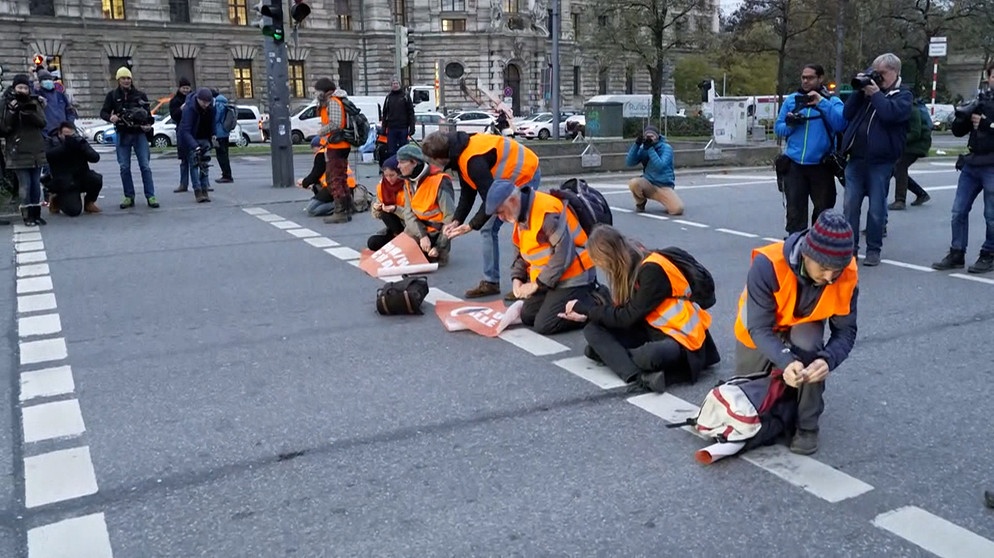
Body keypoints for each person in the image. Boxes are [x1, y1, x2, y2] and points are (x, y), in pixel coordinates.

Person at [733, 210, 859, 455]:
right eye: (823, 268)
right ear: (806, 254)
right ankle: (783, 390)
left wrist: (827, 360)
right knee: (748, 401)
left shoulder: (847, 274)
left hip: (804, 328)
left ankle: (807, 426)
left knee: (811, 350)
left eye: (837, 269)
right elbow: (758, 327)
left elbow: (846, 332)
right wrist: (786, 359)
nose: (831, 277)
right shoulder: (767, 264)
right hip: (759, 328)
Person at [561, 225, 720, 392]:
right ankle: (638, 375)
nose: (602, 268)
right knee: (592, 330)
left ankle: (619, 359)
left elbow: (626, 316)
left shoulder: (652, 270)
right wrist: (587, 316)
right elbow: (623, 313)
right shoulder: (631, 261)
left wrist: (587, 309)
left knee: (649, 355)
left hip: (679, 337)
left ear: (608, 257)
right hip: (650, 329)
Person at [422, 130, 541, 299]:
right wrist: (457, 220)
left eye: (432, 161)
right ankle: (492, 281)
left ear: (441, 158)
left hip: (525, 174)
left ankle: (524, 282)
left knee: (521, 225)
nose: (432, 166)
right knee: (489, 227)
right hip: (510, 177)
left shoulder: (473, 161)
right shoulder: (460, 152)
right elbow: (468, 191)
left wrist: (471, 225)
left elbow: (490, 200)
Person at [485, 179, 600, 335]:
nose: (500, 218)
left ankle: (597, 302)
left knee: (544, 325)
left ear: (512, 200)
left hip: (575, 277)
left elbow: (563, 254)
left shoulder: (546, 213)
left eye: (500, 212)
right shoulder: (519, 211)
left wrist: (536, 285)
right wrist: (517, 279)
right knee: (527, 315)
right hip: (552, 279)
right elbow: (522, 251)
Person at [841, 53, 913, 266]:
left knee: (876, 208)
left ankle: (873, 249)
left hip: (881, 161)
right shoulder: (867, 94)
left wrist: (876, 95)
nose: (878, 78)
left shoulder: (903, 95)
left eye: (882, 74)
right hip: (856, 159)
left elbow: (890, 115)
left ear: (895, 72)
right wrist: (859, 90)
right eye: (875, 72)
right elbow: (847, 113)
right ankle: (849, 250)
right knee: (850, 205)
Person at [932, 63, 994, 275]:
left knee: (991, 214)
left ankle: (989, 253)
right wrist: (964, 117)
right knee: (958, 211)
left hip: (992, 166)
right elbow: (959, 132)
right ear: (989, 77)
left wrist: (987, 124)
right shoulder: (982, 100)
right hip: (973, 163)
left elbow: (988, 126)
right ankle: (957, 252)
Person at [774, 64, 847, 233]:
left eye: (810, 78)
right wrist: (791, 124)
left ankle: (818, 245)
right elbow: (779, 128)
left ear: (820, 79)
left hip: (821, 165)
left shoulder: (832, 101)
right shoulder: (792, 100)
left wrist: (821, 103)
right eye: (803, 77)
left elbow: (841, 124)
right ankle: (795, 248)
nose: (806, 81)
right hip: (795, 165)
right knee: (795, 213)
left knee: (823, 212)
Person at [100, 66, 158, 209]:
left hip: (139, 134)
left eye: (128, 78)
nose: (126, 81)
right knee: (124, 167)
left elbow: (149, 117)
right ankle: (128, 196)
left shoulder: (140, 95)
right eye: (123, 78)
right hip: (123, 133)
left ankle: (150, 196)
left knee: (145, 166)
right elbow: (103, 112)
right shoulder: (112, 95)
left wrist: (148, 126)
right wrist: (110, 117)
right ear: (118, 80)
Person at [396, 144, 455, 266]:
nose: (398, 166)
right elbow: (408, 213)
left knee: (428, 260)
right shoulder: (408, 180)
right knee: (401, 257)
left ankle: (439, 251)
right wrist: (422, 236)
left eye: (402, 162)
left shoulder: (439, 181)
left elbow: (450, 218)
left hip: (437, 232)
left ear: (414, 162)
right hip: (418, 229)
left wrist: (440, 246)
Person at [2, 74, 48, 226]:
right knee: (25, 184)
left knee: (36, 184)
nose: (22, 91)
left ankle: (36, 214)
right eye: (19, 87)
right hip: (18, 150)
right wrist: (13, 112)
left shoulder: (35, 102)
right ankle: (27, 216)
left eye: (25, 88)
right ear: (14, 88)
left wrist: (29, 113)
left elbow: (42, 122)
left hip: (36, 150)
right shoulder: (6, 103)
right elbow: (4, 128)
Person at [314, 77, 352, 224]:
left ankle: (340, 212)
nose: (317, 94)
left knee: (335, 179)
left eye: (318, 91)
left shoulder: (333, 102)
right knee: (340, 178)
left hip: (337, 146)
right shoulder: (332, 101)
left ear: (326, 91)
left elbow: (336, 123)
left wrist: (321, 131)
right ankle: (346, 208)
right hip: (337, 145)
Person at [43, 121, 102, 217]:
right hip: (64, 181)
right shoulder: (51, 141)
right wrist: (65, 147)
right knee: (74, 211)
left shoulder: (79, 141)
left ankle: (89, 203)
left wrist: (83, 147)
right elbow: (47, 156)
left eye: (71, 135)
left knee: (96, 179)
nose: (69, 138)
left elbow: (95, 158)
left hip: (81, 176)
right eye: (66, 135)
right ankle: (56, 199)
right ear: (59, 134)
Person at [626, 125, 682, 215]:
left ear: (657, 137)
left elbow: (660, 166)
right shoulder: (644, 148)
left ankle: (666, 200)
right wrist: (636, 145)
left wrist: (650, 149)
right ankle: (641, 202)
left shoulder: (666, 148)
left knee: (677, 210)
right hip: (649, 183)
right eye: (647, 136)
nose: (649, 138)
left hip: (664, 185)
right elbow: (629, 162)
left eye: (651, 136)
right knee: (634, 183)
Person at [889, 99, 932, 210]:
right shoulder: (904, 109)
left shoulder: (912, 110)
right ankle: (921, 194)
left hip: (918, 145)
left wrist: (899, 140)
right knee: (897, 169)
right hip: (910, 145)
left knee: (899, 166)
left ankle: (900, 200)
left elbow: (916, 133)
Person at [177, 87, 215, 203]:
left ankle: (205, 190)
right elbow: (185, 130)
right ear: (198, 99)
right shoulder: (189, 108)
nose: (206, 104)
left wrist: (214, 134)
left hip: (205, 138)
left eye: (208, 102)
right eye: (203, 102)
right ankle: (198, 191)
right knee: (194, 164)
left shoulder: (211, 107)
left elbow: (212, 122)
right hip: (192, 138)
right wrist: (194, 145)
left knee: (204, 165)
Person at [367, 156, 406, 251]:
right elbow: (376, 215)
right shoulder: (382, 186)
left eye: (392, 175)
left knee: (387, 214)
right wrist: (376, 208)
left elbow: (413, 215)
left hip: (409, 227)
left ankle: (403, 241)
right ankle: (398, 239)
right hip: (394, 227)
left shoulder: (408, 185)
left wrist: (395, 209)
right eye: (386, 175)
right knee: (372, 243)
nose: (389, 179)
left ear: (399, 173)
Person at [380, 78, 415, 158]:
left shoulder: (405, 96)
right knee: (391, 150)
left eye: (396, 84)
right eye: (393, 84)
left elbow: (411, 113)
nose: (395, 85)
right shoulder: (388, 98)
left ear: (399, 85)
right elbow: (385, 114)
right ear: (391, 86)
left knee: (403, 149)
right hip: (392, 128)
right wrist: (383, 127)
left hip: (403, 127)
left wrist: (412, 127)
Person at [170, 78, 192, 193]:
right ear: (179, 88)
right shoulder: (175, 101)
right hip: (181, 131)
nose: (186, 90)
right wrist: (181, 109)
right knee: (184, 159)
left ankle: (203, 184)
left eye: (187, 88)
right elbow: (174, 116)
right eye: (184, 88)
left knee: (199, 160)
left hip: (193, 131)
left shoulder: (193, 98)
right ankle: (183, 184)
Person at [212, 89, 234, 184]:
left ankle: (226, 175)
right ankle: (226, 174)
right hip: (225, 132)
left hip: (219, 132)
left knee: (221, 155)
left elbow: (216, 118)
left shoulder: (218, 104)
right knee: (225, 154)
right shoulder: (224, 102)